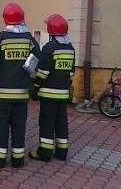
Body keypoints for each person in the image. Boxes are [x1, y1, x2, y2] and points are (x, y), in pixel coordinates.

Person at [0, 3, 41, 168]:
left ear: (5, 19)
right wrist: (30, 80)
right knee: (19, 126)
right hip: (21, 94)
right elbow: (37, 61)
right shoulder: (29, 40)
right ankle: (18, 159)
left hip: (2, 94)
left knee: (1, 126)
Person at [29, 14, 75, 162]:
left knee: (47, 122)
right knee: (61, 122)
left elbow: (43, 72)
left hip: (48, 94)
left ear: (50, 29)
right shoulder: (70, 48)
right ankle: (62, 152)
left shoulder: (49, 48)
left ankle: (45, 152)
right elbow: (71, 73)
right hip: (63, 94)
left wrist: (35, 88)